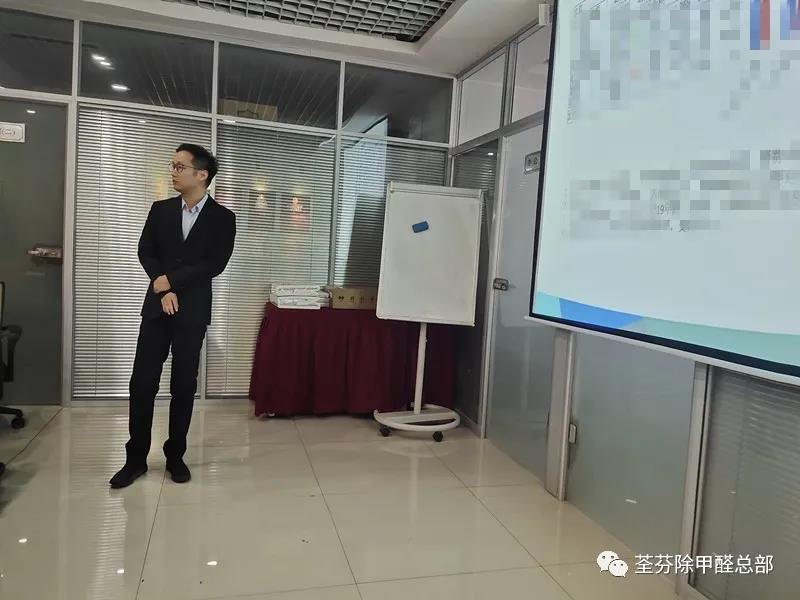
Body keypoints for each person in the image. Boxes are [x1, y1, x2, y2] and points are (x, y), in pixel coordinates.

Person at [110, 144, 236, 489]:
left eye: (180, 167)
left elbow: (215, 264)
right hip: (157, 308)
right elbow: (145, 250)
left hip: (192, 312)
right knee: (142, 382)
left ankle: (175, 455)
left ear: (202, 175)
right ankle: (135, 459)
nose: (173, 172)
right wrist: (163, 288)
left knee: (183, 384)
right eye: (173, 165)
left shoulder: (223, 218)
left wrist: (173, 281)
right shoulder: (161, 209)